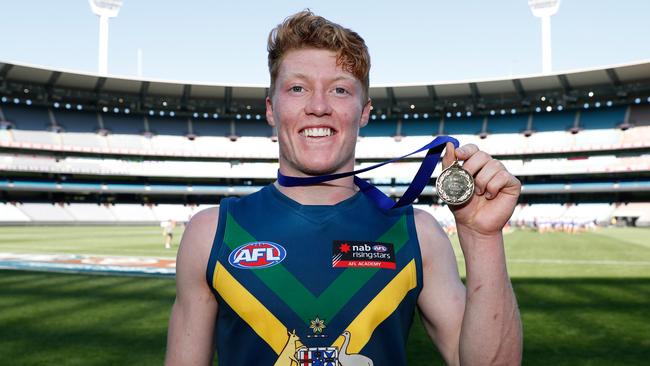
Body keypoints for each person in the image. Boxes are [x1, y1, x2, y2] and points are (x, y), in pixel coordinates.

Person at [165, 10, 522, 366]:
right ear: (272, 109)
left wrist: (483, 239)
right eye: (297, 88)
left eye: (339, 89)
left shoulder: (417, 233)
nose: (318, 106)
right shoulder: (211, 234)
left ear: (364, 111)